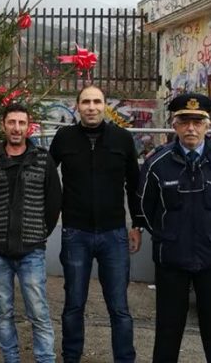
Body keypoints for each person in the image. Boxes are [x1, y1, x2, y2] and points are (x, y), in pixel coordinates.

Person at [139, 93, 211, 363]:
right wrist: (169, 236)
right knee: (167, 332)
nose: (191, 128)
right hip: (172, 260)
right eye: (184, 121)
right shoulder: (157, 163)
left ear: (208, 125)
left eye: (197, 122)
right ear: (174, 125)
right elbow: (146, 209)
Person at [49, 85, 142, 363]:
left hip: (114, 234)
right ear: (77, 106)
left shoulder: (123, 139)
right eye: (86, 102)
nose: (91, 107)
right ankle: (71, 357)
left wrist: (136, 223)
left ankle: (124, 359)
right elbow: (45, 178)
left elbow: (134, 184)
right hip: (75, 233)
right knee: (74, 304)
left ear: (105, 106)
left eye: (97, 102)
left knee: (119, 307)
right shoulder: (64, 138)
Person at [0, 103, 62, 363]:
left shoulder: (42, 158)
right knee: (3, 312)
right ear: (3, 125)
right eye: (11, 122)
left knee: (38, 311)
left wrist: (39, 232)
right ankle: (11, 359)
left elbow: (53, 202)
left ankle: (45, 359)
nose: (16, 128)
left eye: (21, 123)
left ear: (29, 126)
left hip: (32, 250)